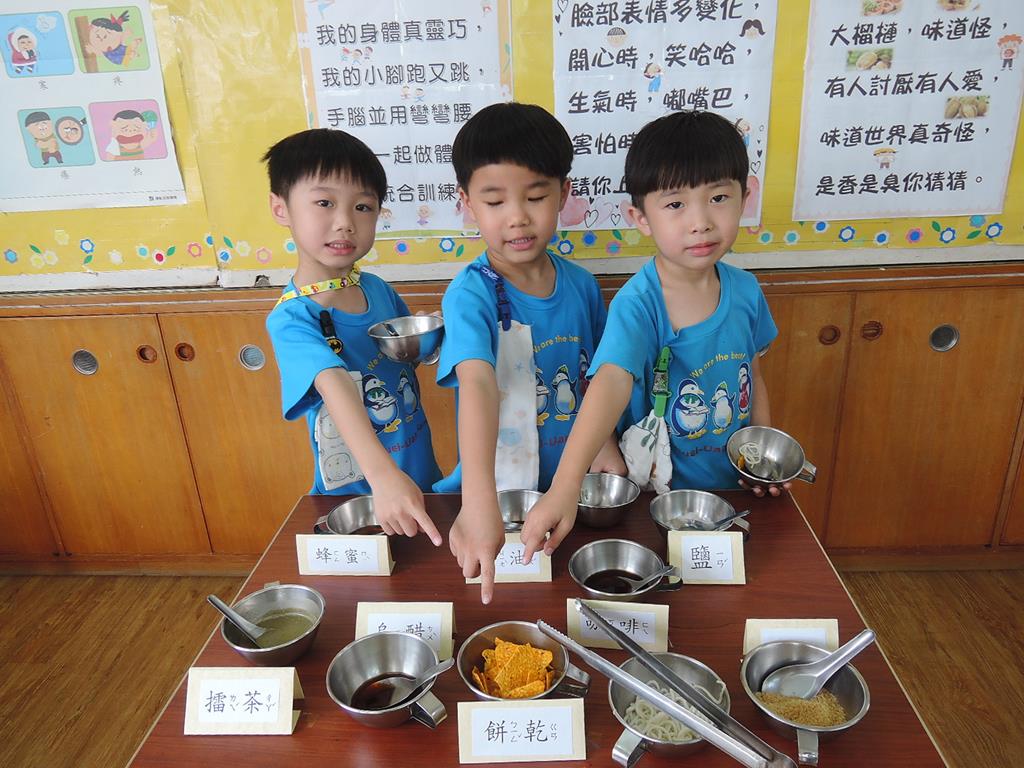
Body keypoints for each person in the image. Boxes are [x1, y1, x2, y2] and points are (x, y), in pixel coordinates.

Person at [521, 110, 786, 564]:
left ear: (746, 197)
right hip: (657, 499)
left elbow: (753, 373)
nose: (700, 221)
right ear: (640, 217)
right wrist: (565, 486)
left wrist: (759, 455)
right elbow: (610, 382)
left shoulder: (746, 291)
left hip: (733, 494)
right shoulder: (638, 303)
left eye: (718, 197)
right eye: (675, 205)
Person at [435, 102, 624, 603]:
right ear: (467, 203)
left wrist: (604, 443)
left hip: (572, 489)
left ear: (564, 193)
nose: (518, 217)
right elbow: (477, 384)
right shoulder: (470, 294)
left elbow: (598, 376)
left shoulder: (581, 285)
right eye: (495, 201)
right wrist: (478, 500)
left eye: (536, 196)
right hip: (496, 495)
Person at [264, 128, 442, 546]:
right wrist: (383, 477)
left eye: (363, 207)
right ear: (280, 208)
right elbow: (335, 383)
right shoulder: (292, 319)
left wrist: (432, 334)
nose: (345, 222)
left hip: (418, 474)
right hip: (357, 495)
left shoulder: (376, 289)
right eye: (324, 203)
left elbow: (407, 354)